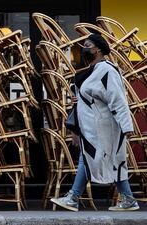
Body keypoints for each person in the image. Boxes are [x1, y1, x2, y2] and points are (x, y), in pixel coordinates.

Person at [50, 34, 139, 211]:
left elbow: (117, 99)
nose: (84, 48)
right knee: (106, 159)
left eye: (87, 45)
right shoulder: (92, 71)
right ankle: (128, 199)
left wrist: (127, 126)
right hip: (92, 128)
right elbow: (93, 98)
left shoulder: (107, 70)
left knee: (94, 158)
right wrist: (77, 125)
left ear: (97, 49)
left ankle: (73, 197)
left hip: (104, 128)